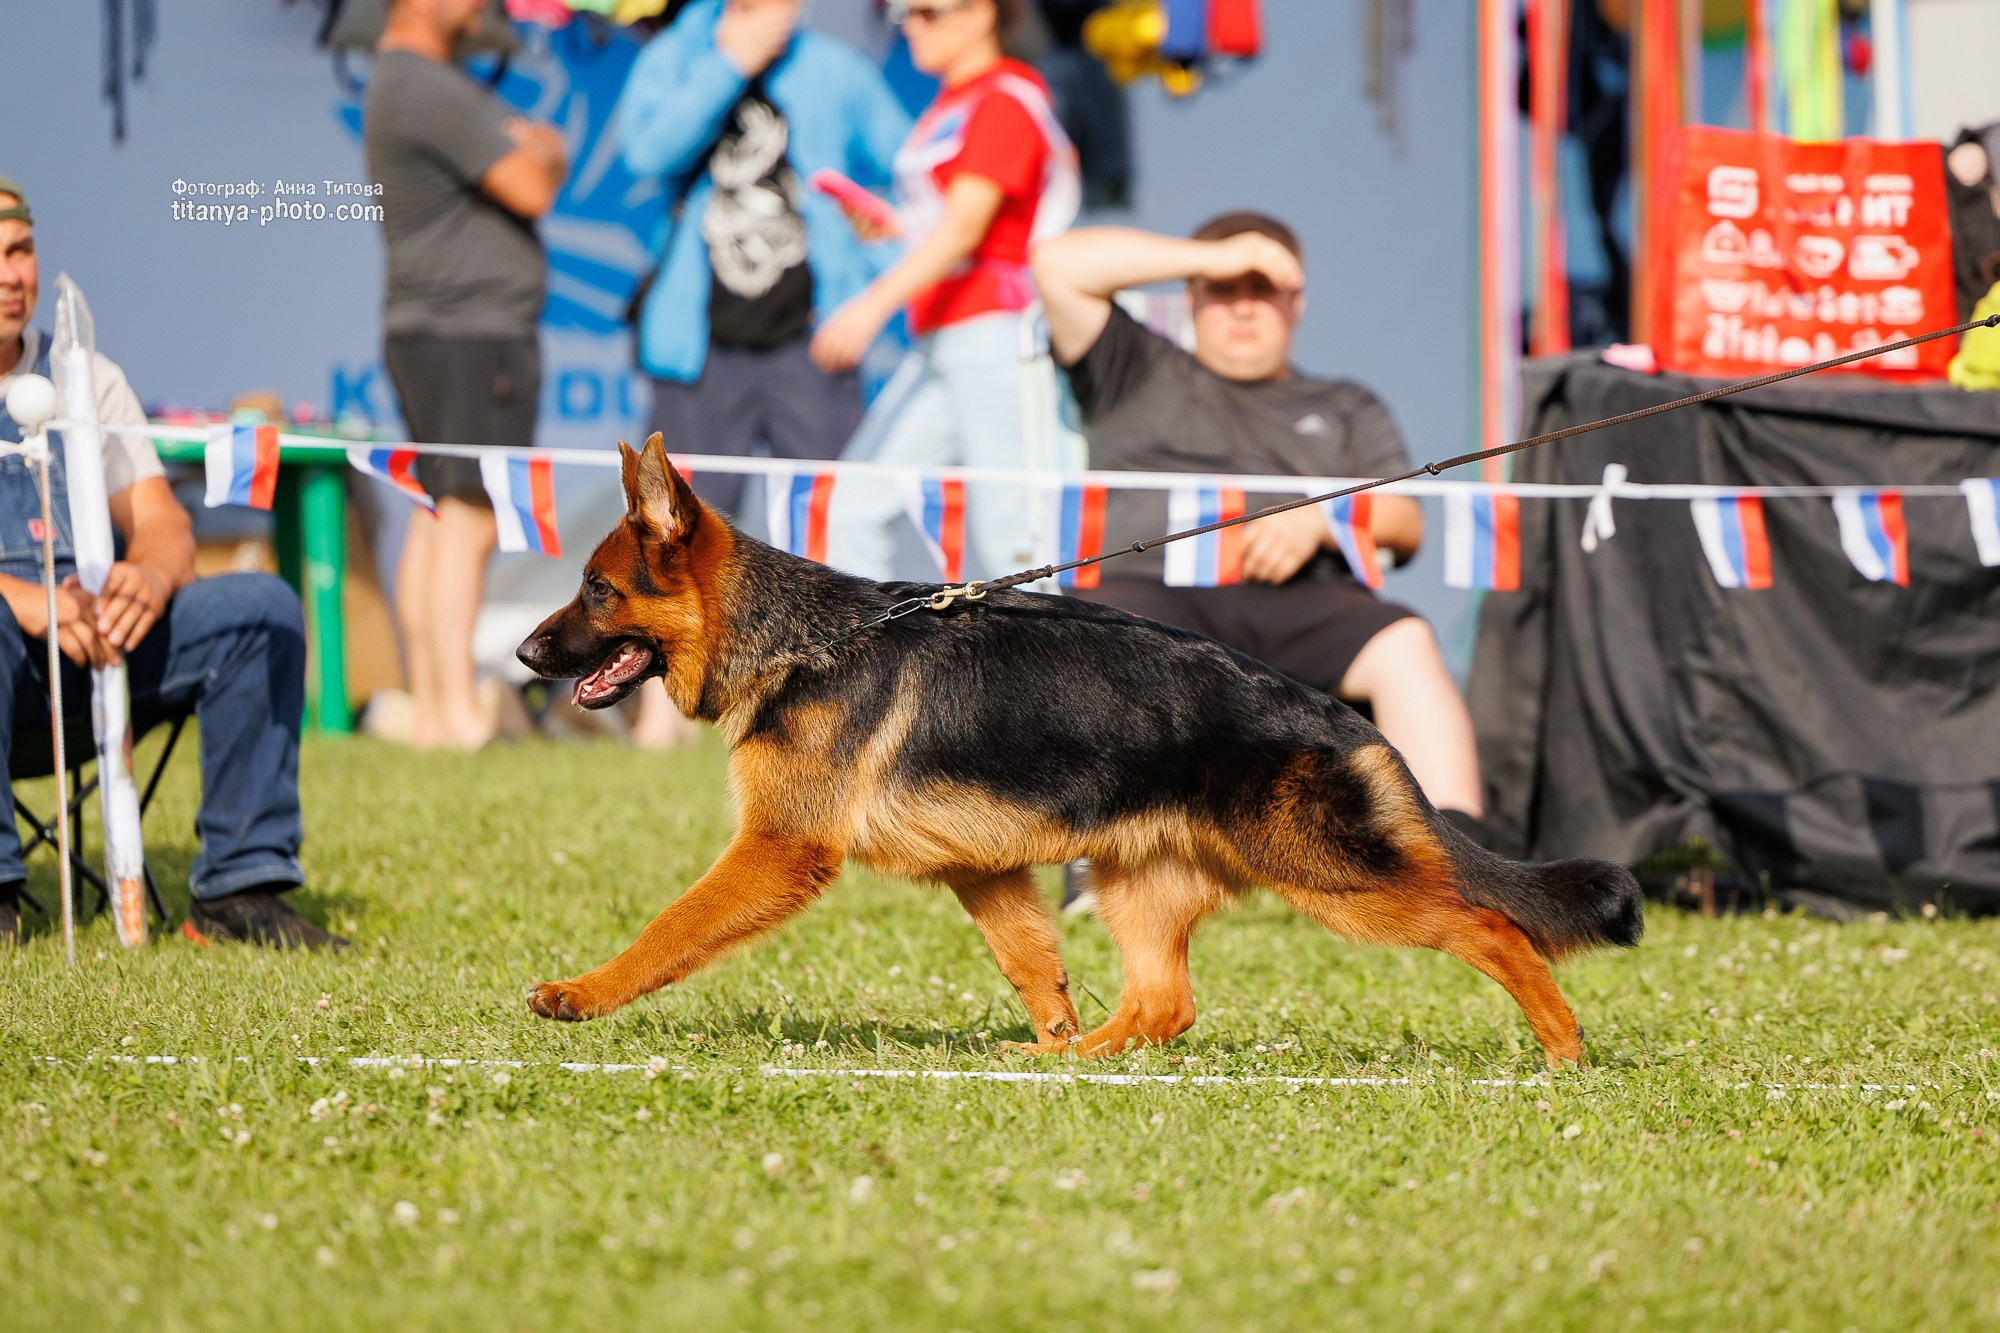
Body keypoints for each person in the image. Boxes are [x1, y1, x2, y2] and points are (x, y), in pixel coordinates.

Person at [1031, 213, 1487, 832]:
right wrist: (1212, 256)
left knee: (1404, 641)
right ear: (1191, 296)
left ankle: (1458, 852)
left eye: (1262, 289)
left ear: (1296, 302)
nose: (1243, 308)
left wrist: (1323, 520)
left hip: (1306, 602)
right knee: (1111, 635)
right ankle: (1101, 857)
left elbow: (1407, 523)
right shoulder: (1133, 367)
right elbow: (1057, 265)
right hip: (1150, 588)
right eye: (1223, 290)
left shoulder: (1346, 405)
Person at [0, 175, 335, 948]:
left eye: (21, 251)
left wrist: (148, 575)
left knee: (259, 607)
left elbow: (161, 520)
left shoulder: (88, 376)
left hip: (98, 652)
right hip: (8, 666)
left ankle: (239, 889)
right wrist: (26, 600)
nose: (13, 275)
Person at [613, 0, 909, 746]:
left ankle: (843, 704)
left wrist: (869, 279)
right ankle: (659, 711)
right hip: (699, 341)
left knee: (832, 522)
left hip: (811, 345)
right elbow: (645, 155)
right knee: (670, 535)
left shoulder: (836, 69)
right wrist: (730, 64)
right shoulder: (678, 56)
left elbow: (913, 179)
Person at [817, 0, 1080, 582]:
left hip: (998, 332)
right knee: (850, 508)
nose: (910, 25)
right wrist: (894, 229)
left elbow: (968, 228)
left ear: (982, 13)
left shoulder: (1005, 100)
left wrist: (871, 305)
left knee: (1015, 538)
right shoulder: (952, 105)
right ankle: (866, 669)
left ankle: (1049, 672)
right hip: (945, 333)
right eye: (902, 13)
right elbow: (951, 225)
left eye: (927, 11)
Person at [366, 0, 565, 751]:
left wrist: (535, 148)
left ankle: (433, 708)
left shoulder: (406, 79)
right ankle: (451, 714)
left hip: (437, 331)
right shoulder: (426, 84)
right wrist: (545, 146)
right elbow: (533, 183)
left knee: (440, 512)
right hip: (469, 336)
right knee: (470, 517)